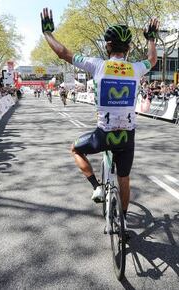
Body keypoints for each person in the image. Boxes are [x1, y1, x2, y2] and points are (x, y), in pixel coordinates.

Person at [41, 8, 158, 224]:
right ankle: (122, 220)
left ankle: (96, 187)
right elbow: (152, 60)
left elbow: (63, 53)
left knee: (75, 149)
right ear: (129, 48)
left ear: (108, 46)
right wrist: (151, 38)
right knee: (124, 178)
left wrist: (48, 34)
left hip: (103, 135)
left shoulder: (97, 65)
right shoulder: (135, 68)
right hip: (127, 136)